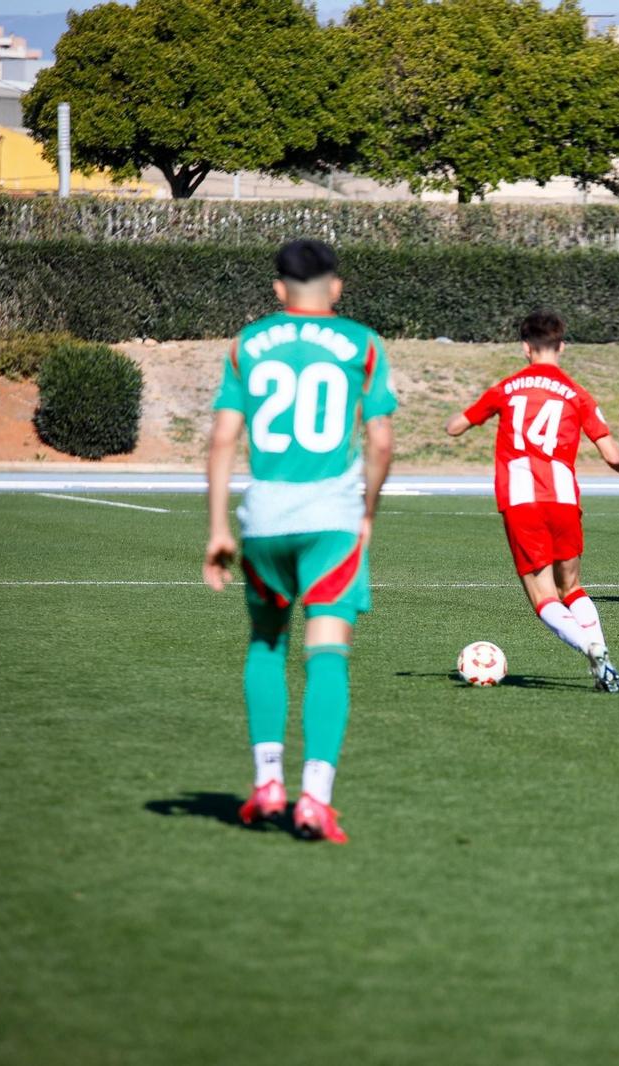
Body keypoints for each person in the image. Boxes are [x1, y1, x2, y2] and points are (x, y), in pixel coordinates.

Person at [203, 238, 396, 844]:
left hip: (263, 519)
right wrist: (366, 512)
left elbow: (222, 439)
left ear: (278, 290)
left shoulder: (247, 344)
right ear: (336, 288)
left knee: (266, 644)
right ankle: (314, 799)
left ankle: (266, 786)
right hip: (331, 523)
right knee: (328, 652)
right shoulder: (363, 345)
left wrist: (217, 528)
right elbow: (382, 443)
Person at [446, 311, 619, 690]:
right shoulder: (577, 394)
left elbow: (456, 427)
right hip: (564, 500)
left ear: (525, 348)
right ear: (561, 346)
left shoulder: (506, 389)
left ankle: (592, 649)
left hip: (521, 501)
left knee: (543, 596)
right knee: (572, 588)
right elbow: (612, 455)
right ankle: (600, 656)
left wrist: (457, 419)